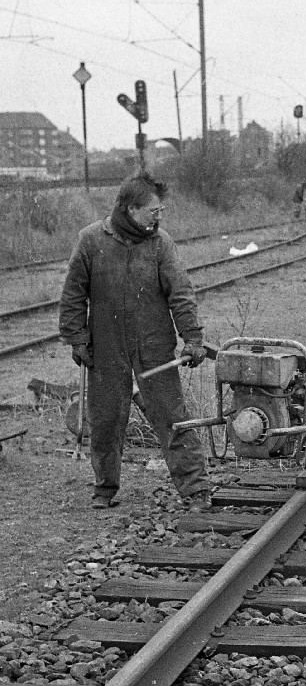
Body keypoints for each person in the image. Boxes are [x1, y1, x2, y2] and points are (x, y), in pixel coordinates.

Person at [59, 174, 211, 511]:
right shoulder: (90, 240)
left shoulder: (160, 243)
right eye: (153, 211)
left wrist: (193, 336)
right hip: (106, 346)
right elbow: (73, 294)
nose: (159, 217)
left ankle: (195, 491)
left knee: (172, 417)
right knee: (106, 421)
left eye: (161, 210)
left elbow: (181, 292)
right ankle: (104, 489)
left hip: (154, 345)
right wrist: (76, 338)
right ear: (130, 209)